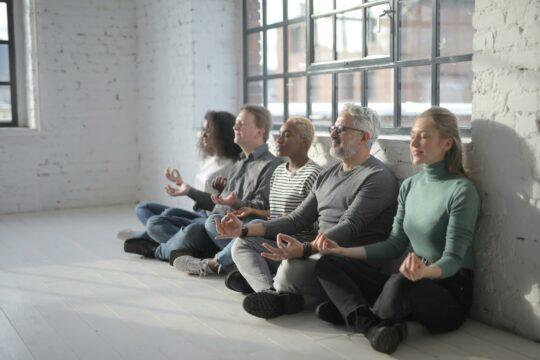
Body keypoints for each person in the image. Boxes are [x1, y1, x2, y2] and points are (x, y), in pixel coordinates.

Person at [313, 107, 480, 354]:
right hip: (412, 278)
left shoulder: (461, 190)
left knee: (399, 283)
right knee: (328, 264)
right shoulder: (410, 185)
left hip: (448, 293)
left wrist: (424, 272)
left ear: (446, 143)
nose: (413, 142)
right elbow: (394, 245)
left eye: (423, 136)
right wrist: (342, 252)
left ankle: (360, 314)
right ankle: (372, 324)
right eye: (412, 134)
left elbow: (454, 260)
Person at [215, 104, 399, 319]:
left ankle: (281, 292)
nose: (333, 133)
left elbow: (350, 226)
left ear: (364, 137)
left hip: (342, 262)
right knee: (242, 245)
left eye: (341, 129)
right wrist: (244, 230)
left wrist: (304, 249)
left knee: (290, 269)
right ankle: (272, 294)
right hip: (314, 250)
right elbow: (297, 218)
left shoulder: (377, 177)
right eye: (333, 127)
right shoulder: (329, 172)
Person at [124, 105, 282, 262]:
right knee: (155, 222)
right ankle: (188, 248)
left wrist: (235, 203)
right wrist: (207, 193)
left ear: (259, 132)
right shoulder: (240, 162)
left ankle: (159, 250)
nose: (235, 126)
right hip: (212, 219)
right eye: (236, 123)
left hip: (227, 228)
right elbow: (218, 205)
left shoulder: (270, 165)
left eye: (241, 123)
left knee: (194, 229)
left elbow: (262, 209)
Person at [174, 116, 322, 276]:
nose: (278, 139)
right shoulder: (279, 171)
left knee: (242, 233)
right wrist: (251, 211)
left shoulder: (313, 174)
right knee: (214, 221)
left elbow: (302, 220)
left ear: (304, 142)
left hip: (292, 242)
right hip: (273, 232)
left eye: (286, 135)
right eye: (279, 134)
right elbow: (275, 212)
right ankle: (238, 263)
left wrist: (254, 220)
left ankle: (212, 264)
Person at [117, 111, 240, 243]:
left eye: (208, 131)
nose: (203, 135)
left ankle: (146, 236)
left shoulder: (233, 166)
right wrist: (182, 184)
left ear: (222, 134)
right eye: (203, 129)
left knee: (164, 217)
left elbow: (222, 204)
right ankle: (159, 235)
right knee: (143, 207)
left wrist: (190, 192)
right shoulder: (209, 159)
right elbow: (202, 192)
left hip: (209, 218)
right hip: (198, 212)